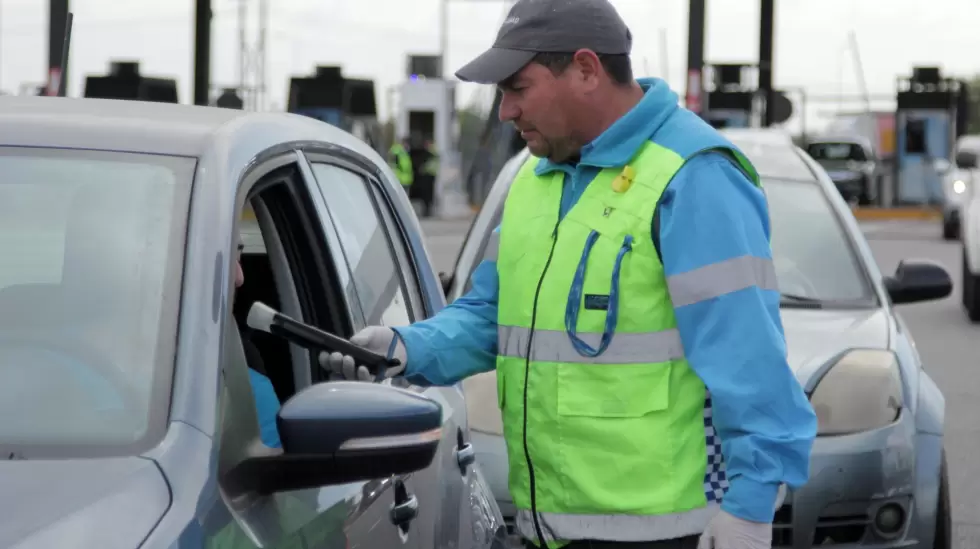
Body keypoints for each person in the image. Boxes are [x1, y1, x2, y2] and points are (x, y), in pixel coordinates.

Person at [321, 0, 817, 547]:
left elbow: (749, 361)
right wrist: (404, 348)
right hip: (545, 529)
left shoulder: (692, 177)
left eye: (518, 87)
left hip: (665, 535)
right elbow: (492, 315)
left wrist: (749, 511)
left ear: (585, 69)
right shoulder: (536, 182)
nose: (506, 110)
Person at [233, 238, 282, 449]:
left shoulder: (245, 388)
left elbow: (270, 478)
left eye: (237, 253)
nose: (239, 276)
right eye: (221, 250)